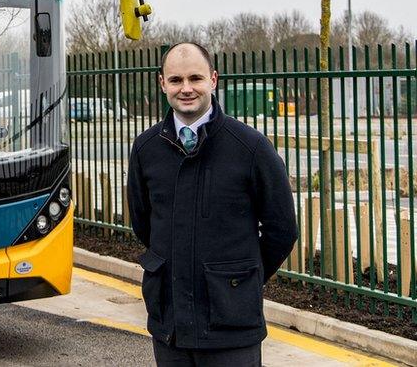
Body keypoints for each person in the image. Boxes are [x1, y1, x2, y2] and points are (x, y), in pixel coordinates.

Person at [127, 42, 297, 366]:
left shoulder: (250, 147)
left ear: (214, 80)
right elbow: (144, 223)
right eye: (176, 80)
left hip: (231, 329)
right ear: (162, 83)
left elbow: (282, 229)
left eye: (196, 78)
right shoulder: (146, 149)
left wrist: (239, 278)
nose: (186, 88)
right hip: (170, 328)